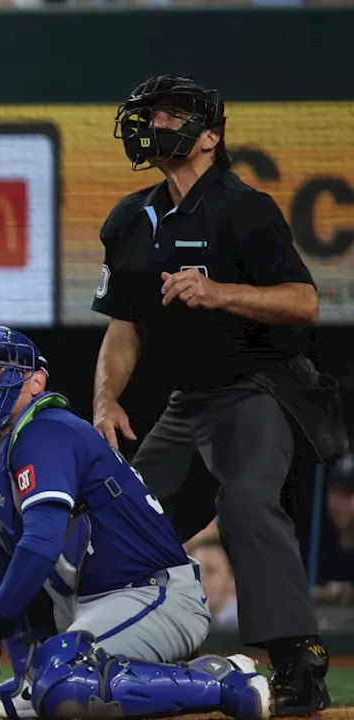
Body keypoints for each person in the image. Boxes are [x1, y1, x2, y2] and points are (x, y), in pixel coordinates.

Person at [91, 74, 346, 716]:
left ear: (209, 138)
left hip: (260, 387)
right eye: (150, 114)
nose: (154, 124)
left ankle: (300, 662)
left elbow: (305, 301)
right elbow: (125, 327)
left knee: (246, 505)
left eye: (171, 115)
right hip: (187, 401)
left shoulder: (245, 208)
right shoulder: (129, 218)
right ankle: (115, 651)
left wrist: (219, 291)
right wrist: (106, 400)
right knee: (121, 521)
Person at [0, 325, 269, 720]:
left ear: (36, 382)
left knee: (62, 679)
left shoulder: (48, 430)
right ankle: (29, 677)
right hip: (90, 602)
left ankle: (226, 683)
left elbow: (42, 543)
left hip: (154, 595)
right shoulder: (2, 469)